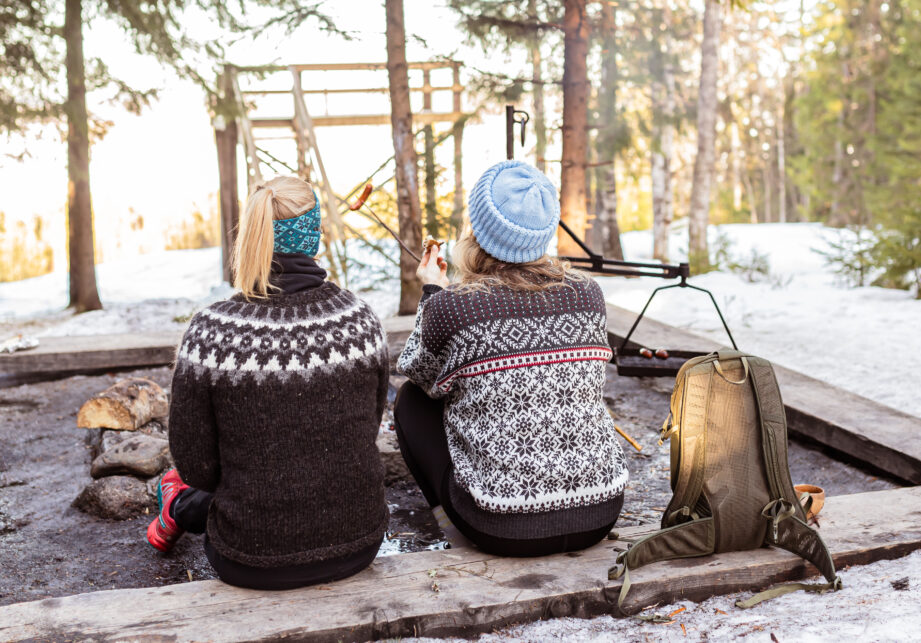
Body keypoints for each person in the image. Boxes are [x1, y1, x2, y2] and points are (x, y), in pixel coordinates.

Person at [146, 176, 389, 590]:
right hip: (359, 545)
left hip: (252, 558)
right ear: (314, 234)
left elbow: (197, 466)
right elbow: (366, 428)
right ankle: (179, 505)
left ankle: (177, 505)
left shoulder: (212, 333)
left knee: (203, 485)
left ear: (253, 232)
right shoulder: (361, 320)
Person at [395, 160, 628, 557]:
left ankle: (453, 531)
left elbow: (418, 371)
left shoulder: (454, 307)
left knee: (411, 401)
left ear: (479, 229)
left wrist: (434, 293)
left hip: (501, 527)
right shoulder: (589, 294)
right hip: (600, 512)